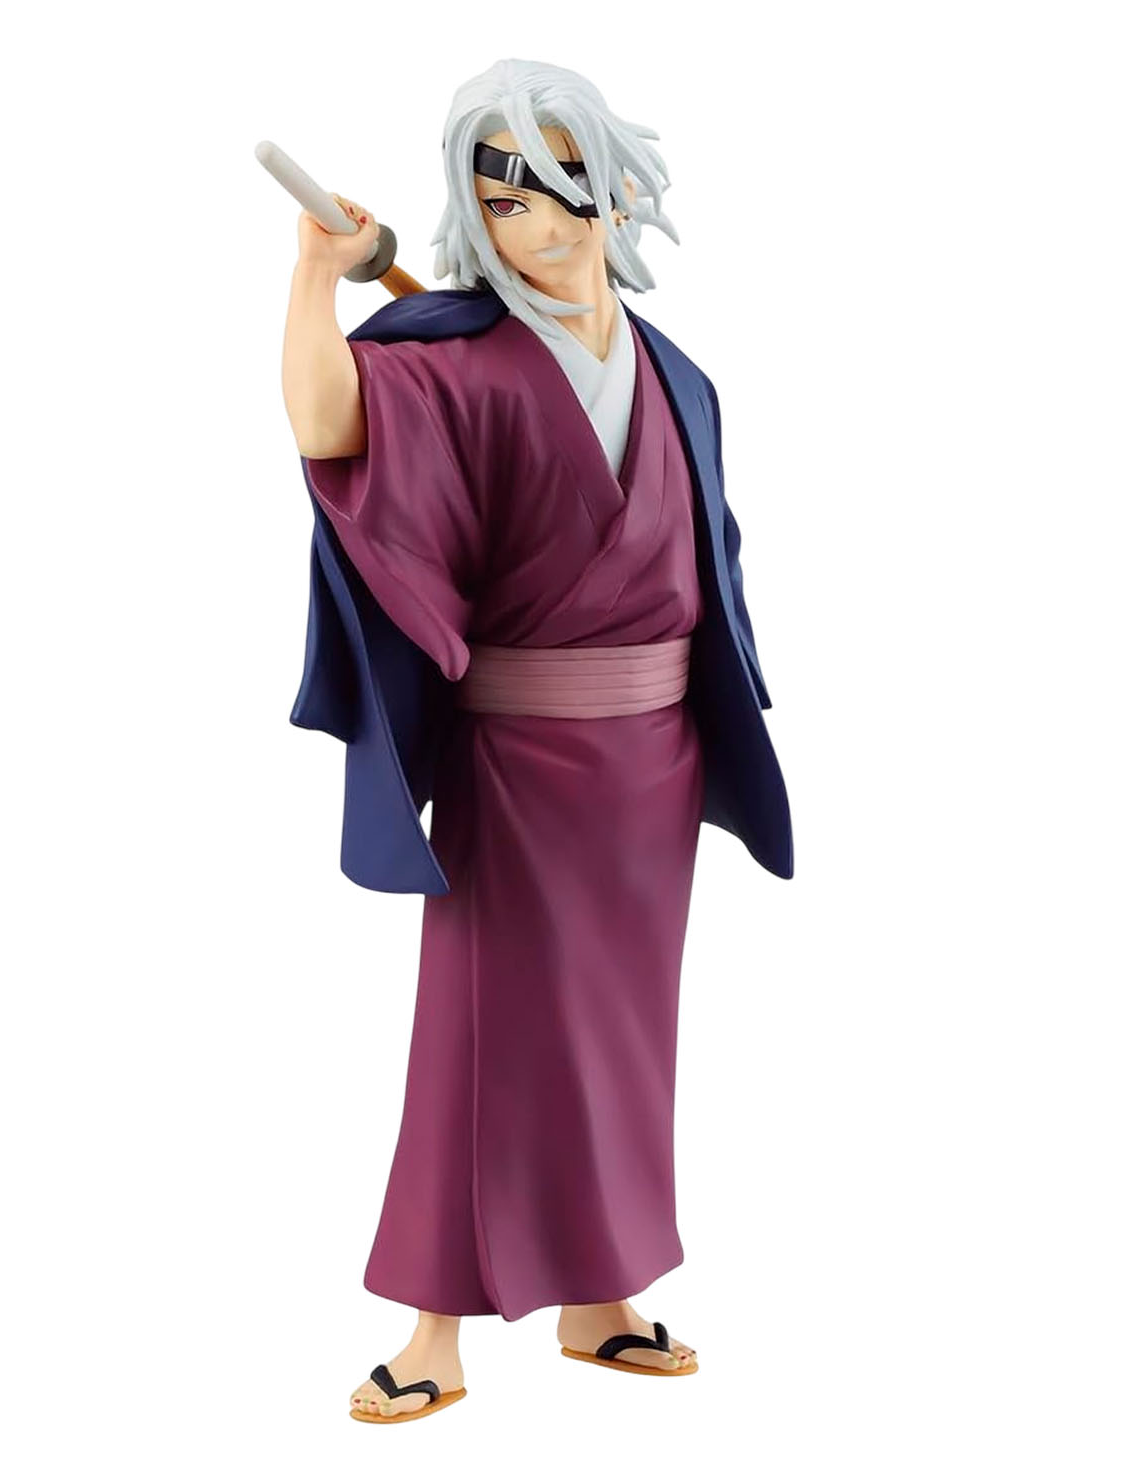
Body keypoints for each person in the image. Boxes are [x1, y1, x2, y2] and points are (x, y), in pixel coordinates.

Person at [280, 57, 792, 1423]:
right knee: (477, 1033)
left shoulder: (677, 375)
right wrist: (317, 280)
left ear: (612, 188)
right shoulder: (452, 366)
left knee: (623, 1040)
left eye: (561, 181)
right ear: (474, 214)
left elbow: (710, 563)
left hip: (654, 765)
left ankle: (599, 1294)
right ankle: (432, 1326)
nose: (537, 217)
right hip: (518, 761)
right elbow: (330, 422)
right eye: (499, 194)